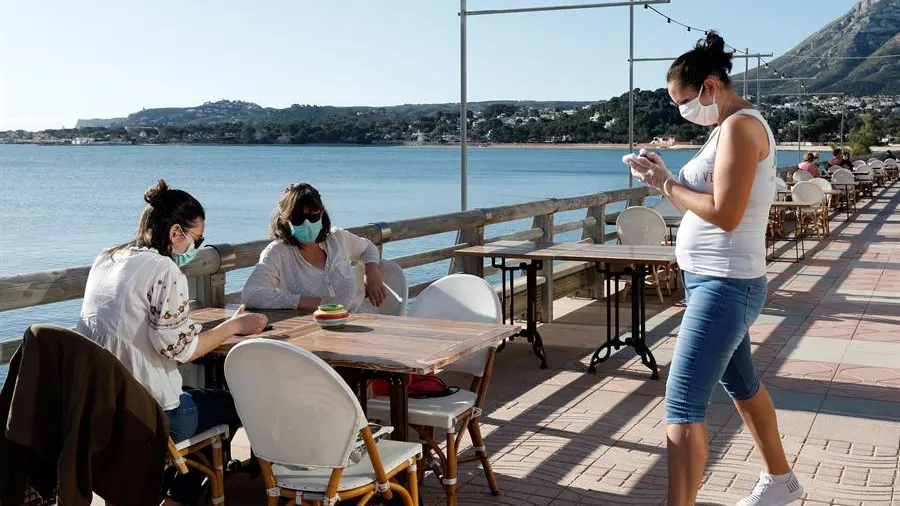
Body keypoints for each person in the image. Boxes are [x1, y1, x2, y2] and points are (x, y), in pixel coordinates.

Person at [626, 32, 803, 506]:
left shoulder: (742, 127)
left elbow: (725, 213)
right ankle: (781, 482)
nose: (681, 110)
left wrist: (664, 185)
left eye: (683, 101)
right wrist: (661, 173)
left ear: (709, 86)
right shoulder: (724, 127)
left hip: (727, 284)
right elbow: (707, 193)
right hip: (713, 279)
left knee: (682, 405)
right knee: (743, 385)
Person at [77, 180, 268, 506]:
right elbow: (180, 350)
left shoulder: (106, 258)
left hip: (97, 409)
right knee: (231, 404)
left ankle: (158, 488)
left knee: (200, 399)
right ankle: (179, 498)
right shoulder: (163, 269)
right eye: (198, 239)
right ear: (176, 232)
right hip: (146, 417)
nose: (195, 248)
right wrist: (233, 326)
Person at [241, 182, 386, 312]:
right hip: (312, 331)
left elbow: (368, 248)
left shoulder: (337, 239)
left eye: (313, 217)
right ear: (285, 220)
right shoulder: (278, 253)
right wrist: (305, 303)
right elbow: (251, 294)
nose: (307, 224)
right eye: (298, 219)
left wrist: (371, 271)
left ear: (321, 213)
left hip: (361, 322)